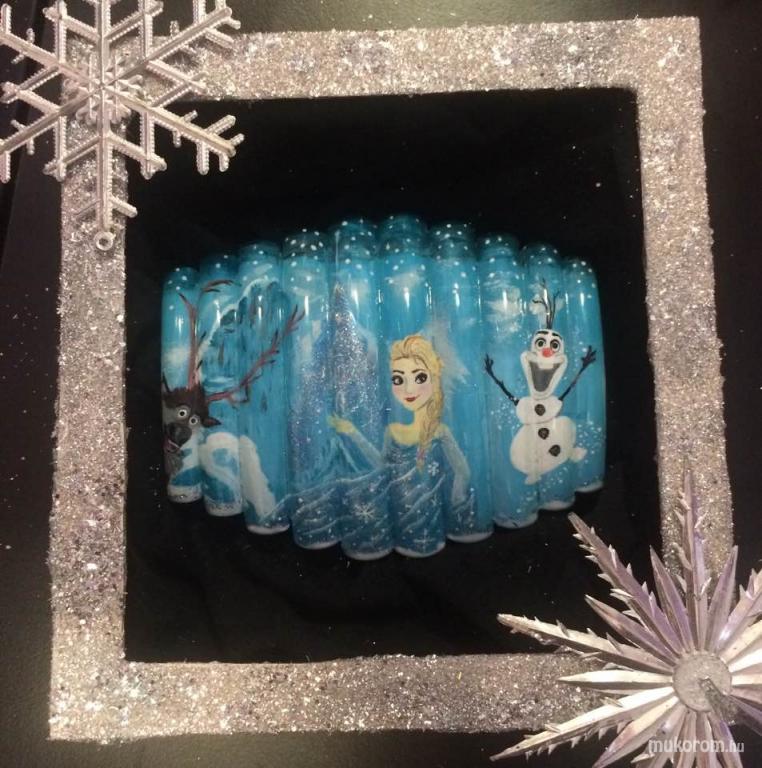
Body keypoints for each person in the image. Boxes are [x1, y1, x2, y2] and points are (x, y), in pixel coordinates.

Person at [329, 334, 473, 557]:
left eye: (419, 377)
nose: (408, 389)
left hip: (430, 517)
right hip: (401, 516)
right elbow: (381, 463)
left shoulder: (440, 431)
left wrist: (456, 500)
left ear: (434, 377)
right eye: (398, 380)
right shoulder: (393, 430)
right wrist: (353, 433)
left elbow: (463, 470)